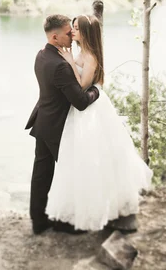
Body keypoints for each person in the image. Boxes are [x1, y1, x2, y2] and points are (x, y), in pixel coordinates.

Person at [45, 14, 153, 232]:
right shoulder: (81, 52)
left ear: (85, 33)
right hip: (81, 111)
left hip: (93, 111)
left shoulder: (91, 56)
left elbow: (83, 84)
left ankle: (110, 211)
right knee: (79, 159)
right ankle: (81, 209)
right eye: (71, 28)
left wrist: (68, 63)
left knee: (97, 158)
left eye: (75, 28)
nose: (71, 32)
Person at [25, 14, 101, 235]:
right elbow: (79, 102)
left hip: (43, 121)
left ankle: (39, 221)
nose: (72, 36)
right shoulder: (60, 66)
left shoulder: (42, 55)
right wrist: (96, 92)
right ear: (56, 37)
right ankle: (65, 222)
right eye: (68, 33)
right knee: (71, 172)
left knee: (42, 173)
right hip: (58, 126)